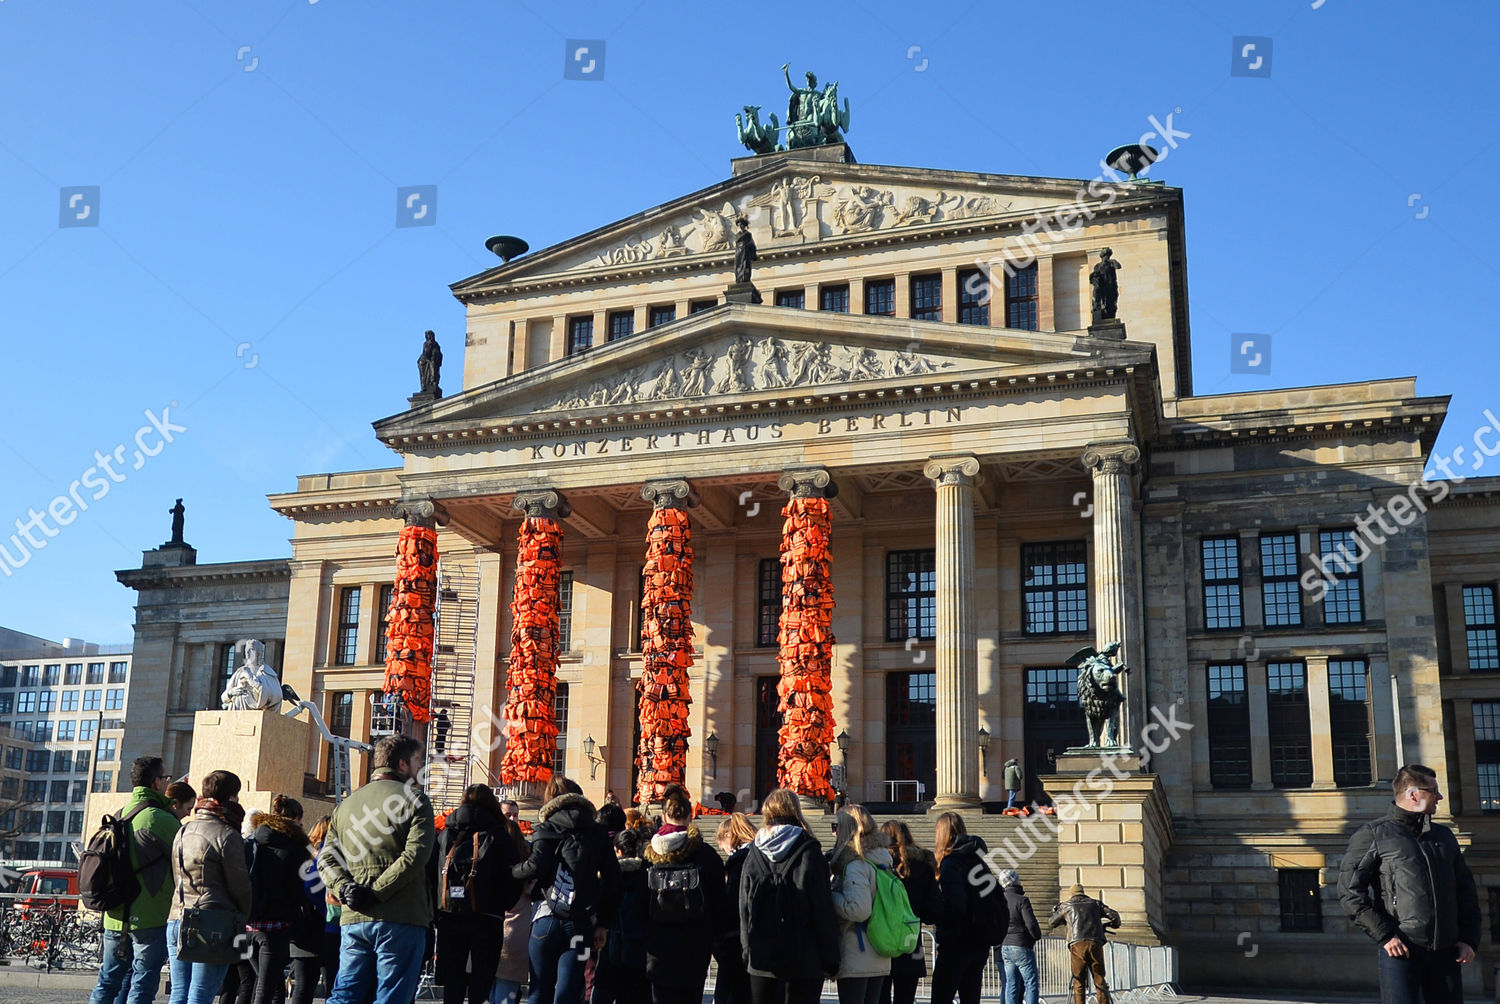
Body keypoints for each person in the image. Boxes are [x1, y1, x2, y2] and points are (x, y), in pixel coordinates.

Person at [1338, 764, 1480, 1004]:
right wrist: (1385, 935)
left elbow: (1465, 891)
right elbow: (1349, 892)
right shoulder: (1374, 834)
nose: (1440, 797)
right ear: (1413, 794)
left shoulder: (1444, 836)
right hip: (1401, 951)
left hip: (1446, 952)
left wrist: (1469, 939)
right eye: (1433, 791)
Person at [317, 734, 436, 1004]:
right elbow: (415, 856)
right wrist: (377, 892)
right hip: (401, 914)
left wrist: (346, 888)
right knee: (392, 995)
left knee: (345, 993)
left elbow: (326, 860)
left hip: (354, 916)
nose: (421, 768)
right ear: (403, 765)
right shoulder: (415, 800)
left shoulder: (345, 806)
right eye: (418, 761)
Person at [511, 775, 622, 1004]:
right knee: (570, 991)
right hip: (581, 924)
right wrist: (603, 923)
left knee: (539, 990)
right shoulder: (597, 832)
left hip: (546, 920)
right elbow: (614, 881)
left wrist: (511, 871)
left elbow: (536, 866)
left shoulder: (546, 828)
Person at [90, 755, 181, 1004]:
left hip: (114, 915)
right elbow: (184, 860)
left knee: (107, 982)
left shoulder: (120, 814)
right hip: (150, 915)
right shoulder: (159, 819)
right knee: (143, 983)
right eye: (165, 778)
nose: (166, 783)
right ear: (156, 782)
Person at [738, 788, 838, 1004]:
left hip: (762, 957)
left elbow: (744, 906)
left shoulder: (753, 853)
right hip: (804, 957)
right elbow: (822, 909)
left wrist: (747, 951)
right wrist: (830, 957)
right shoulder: (810, 851)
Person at [168, 770, 253, 1004]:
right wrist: (245, 914)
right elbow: (240, 886)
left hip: (177, 915)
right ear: (232, 798)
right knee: (201, 995)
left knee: (179, 993)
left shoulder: (183, 830)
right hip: (211, 922)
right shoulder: (227, 835)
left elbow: (176, 877)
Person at [641, 783, 727, 1004]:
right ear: (691, 815)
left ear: (664, 815)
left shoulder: (649, 855)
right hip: (695, 942)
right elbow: (719, 903)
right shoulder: (705, 854)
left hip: (657, 942)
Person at [436, 784, 517, 1004]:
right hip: (487, 916)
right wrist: (504, 904)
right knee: (481, 981)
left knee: (453, 983)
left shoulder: (446, 833)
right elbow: (513, 875)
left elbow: (431, 872)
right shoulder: (498, 833)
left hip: (450, 913)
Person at [231, 794, 311, 1004]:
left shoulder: (251, 842)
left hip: (246, 926)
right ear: (294, 819)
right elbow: (299, 893)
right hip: (275, 927)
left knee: (255, 984)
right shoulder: (295, 849)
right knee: (266, 990)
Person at [828, 805, 893, 1004]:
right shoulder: (882, 859)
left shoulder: (856, 864)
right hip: (878, 950)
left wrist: (830, 896)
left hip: (857, 951)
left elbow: (858, 910)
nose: (833, 831)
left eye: (836, 826)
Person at [931, 812, 997, 1004]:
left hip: (957, 943)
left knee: (941, 997)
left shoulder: (950, 864)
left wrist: (941, 928)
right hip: (980, 941)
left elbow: (955, 906)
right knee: (971, 997)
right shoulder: (978, 861)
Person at [878, 820, 940, 1004]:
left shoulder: (878, 865)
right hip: (911, 942)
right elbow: (933, 911)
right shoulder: (922, 866)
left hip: (881, 941)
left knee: (879, 997)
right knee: (906, 998)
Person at [594, 827, 649, 1004]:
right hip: (639, 952)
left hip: (610, 948)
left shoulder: (608, 877)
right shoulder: (648, 875)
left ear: (618, 850)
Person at [490, 813, 536, 1004]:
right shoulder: (525, 862)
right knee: (507, 989)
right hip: (517, 930)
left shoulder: (491, 858)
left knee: (488, 988)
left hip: (491, 925)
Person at [288, 817, 334, 1004]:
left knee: (303, 985)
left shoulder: (302, 853)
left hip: (302, 926)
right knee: (332, 984)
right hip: (324, 925)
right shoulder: (331, 855)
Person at [1049, 884, 1120, 1004]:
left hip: (1077, 944)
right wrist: (1111, 925)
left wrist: (1062, 916)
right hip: (1095, 943)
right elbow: (1114, 916)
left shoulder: (1066, 906)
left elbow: (1051, 922)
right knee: (1099, 979)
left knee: (1079, 981)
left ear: (1071, 894)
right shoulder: (1096, 904)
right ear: (1083, 892)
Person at [713, 813, 757, 1004]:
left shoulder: (738, 862)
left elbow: (732, 903)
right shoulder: (759, 855)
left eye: (721, 845)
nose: (723, 850)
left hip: (737, 939)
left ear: (729, 836)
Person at [995, 870, 1042, 1004]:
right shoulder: (1022, 900)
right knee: (1031, 983)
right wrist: (1036, 936)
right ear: (1017, 881)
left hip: (1005, 945)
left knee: (1011, 984)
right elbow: (1031, 923)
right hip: (1021, 944)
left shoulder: (999, 900)